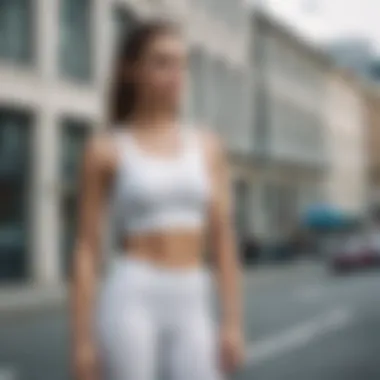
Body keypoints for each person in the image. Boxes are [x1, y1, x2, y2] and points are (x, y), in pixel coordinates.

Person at [71, 19, 244, 380]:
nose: (176, 73)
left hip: (192, 295)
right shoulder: (105, 149)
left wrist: (232, 323)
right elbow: (87, 249)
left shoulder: (207, 146)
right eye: (161, 62)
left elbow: (223, 238)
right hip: (133, 293)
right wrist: (82, 343)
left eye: (181, 63)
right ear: (131, 70)